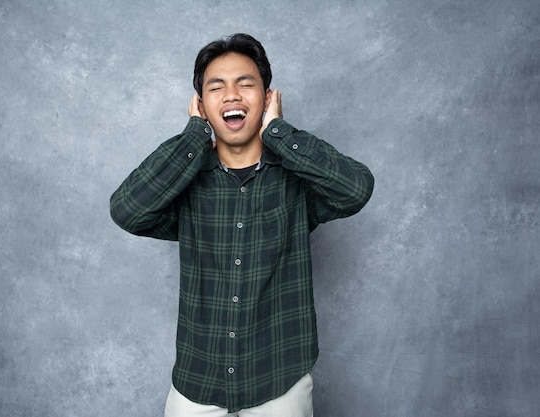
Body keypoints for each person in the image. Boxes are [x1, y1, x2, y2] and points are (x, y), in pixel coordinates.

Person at [110, 33, 374, 417]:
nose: (232, 95)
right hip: (198, 382)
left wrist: (279, 133)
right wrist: (194, 136)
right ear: (201, 105)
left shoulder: (297, 180)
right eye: (216, 88)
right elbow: (126, 209)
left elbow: (356, 189)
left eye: (245, 84)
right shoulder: (185, 180)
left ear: (267, 98)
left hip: (280, 382)